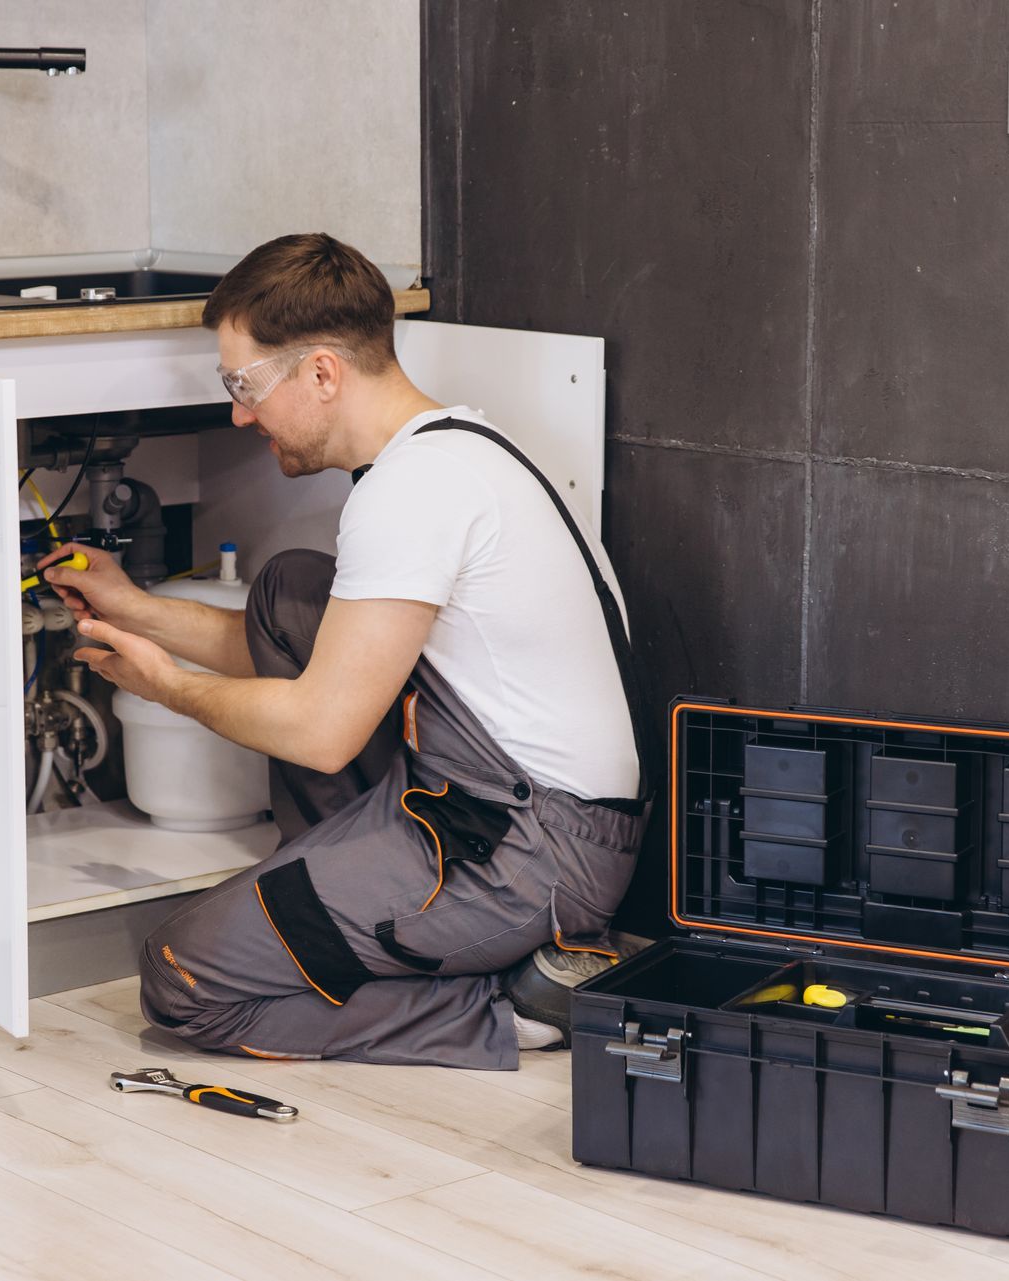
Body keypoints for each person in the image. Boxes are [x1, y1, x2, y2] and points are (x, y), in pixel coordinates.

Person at [36, 233, 651, 1069]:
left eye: (244, 385)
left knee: (182, 978)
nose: (239, 414)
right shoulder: (450, 450)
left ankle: (517, 1005)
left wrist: (168, 687)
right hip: (506, 812)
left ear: (323, 372)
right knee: (291, 594)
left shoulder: (412, 493)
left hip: (527, 850)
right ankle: (370, 910)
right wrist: (136, 610)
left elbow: (324, 729)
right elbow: (327, 660)